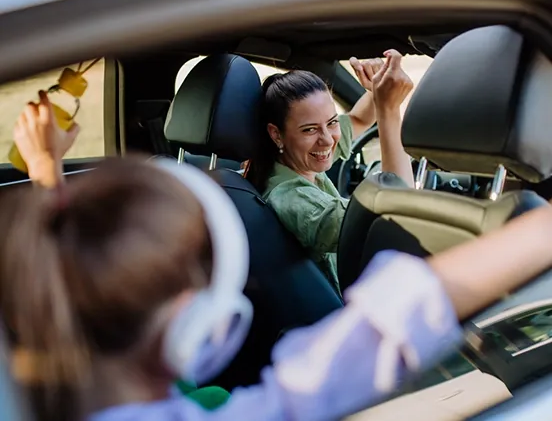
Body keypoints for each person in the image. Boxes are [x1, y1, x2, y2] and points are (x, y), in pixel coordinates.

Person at [5, 92, 552, 421]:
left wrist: (47, 174)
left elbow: (60, 252)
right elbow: (385, 323)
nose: (326, 140)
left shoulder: (24, 370)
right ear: (195, 327)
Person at [246, 50, 414, 294]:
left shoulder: (292, 159)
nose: (327, 141)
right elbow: (399, 214)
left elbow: (357, 119)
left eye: (332, 122)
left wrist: (376, 91)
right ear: (276, 134)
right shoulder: (292, 199)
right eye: (309, 129)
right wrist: (390, 110)